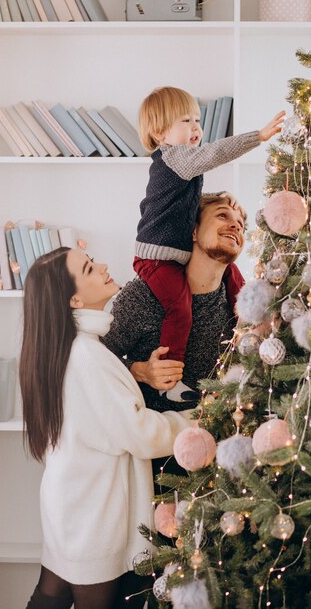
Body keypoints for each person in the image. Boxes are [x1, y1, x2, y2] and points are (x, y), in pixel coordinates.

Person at [20, 247, 193, 609]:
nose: (101, 266)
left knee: (51, 594)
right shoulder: (87, 356)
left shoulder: (70, 349)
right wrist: (196, 422)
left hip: (71, 503)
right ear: (75, 298)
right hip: (92, 515)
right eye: (88, 268)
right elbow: (140, 434)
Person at [134, 86, 285, 401]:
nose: (196, 129)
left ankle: (248, 335)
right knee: (180, 308)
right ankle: (171, 377)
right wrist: (257, 136)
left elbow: (171, 204)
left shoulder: (173, 169)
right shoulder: (175, 157)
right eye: (186, 121)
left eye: (197, 121)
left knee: (234, 279)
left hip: (169, 254)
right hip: (157, 260)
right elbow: (214, 153)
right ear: (160, 132)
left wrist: (216, 200)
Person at [103, 192, 247, 486]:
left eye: (241, 224)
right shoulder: (144, 296)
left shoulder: (242, 306)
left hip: (223, 459)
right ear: (192, 231)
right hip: (159, 465)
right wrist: (140, 370)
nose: (236, 226)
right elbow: (96, 362)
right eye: (223, 215)